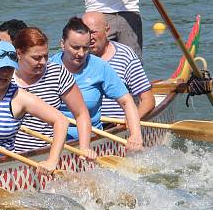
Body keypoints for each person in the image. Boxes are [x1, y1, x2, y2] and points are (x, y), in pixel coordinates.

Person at [0, 41, 69, 172]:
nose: (4, 73)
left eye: (9, 68)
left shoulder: (19, 97)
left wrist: (52, 161)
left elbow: (61, 120)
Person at [49, 17, 143, 151]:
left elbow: (127, 102)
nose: (81, 53)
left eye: (86, 48)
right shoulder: (48, 67)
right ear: (62, 44)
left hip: (91, 139)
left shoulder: (100, 67)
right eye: (75, 47)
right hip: (50, 139)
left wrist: (135, 135)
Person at [12, 27, 95, 159]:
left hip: (48, 152)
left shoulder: (57, 73)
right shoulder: (5, 76)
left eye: (46, 55)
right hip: (12, 154)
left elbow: (81, 113)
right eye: (37, 58)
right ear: (19, 53)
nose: (43, 62)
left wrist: (84, 147)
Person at [82, 12, 155, 119]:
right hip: (87, 125)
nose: (90, 37)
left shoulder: (125, 55)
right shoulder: (77, 57)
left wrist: (132, 121)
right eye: (85, 33)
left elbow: (148, 100)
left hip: (118, 124)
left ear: (107, 31)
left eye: (93, 32)